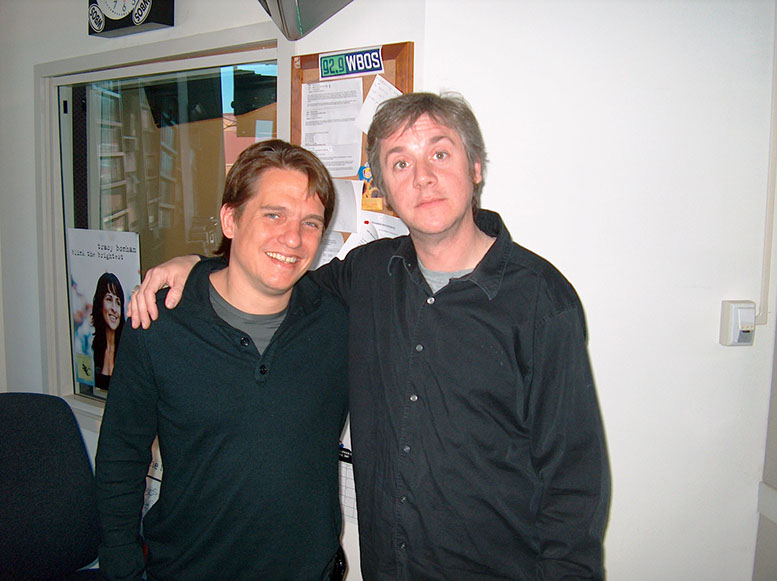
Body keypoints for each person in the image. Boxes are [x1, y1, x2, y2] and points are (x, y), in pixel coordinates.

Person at [129, 93, 611, 580]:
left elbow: (573, 481)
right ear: (383, 189)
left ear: (476, 167)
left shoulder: (541, 301)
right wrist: (198, 266)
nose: (422, 177)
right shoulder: (368, 272)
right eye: (400, 163)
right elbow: (274, 279)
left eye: (439, 153)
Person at [95, 140, 349, 580]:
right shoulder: (157, 324)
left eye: (310, 223)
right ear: (230, 219)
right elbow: (121, 459)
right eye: (274, 215)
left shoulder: (337, 324)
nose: (293, 238)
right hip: (188, 569)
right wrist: (121, 567)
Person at [91, 272, 125, 390]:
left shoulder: (127, 350)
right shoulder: (92, 348)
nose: (114, 309)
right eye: (109, 299)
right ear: (100, 304)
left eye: (118, 302)